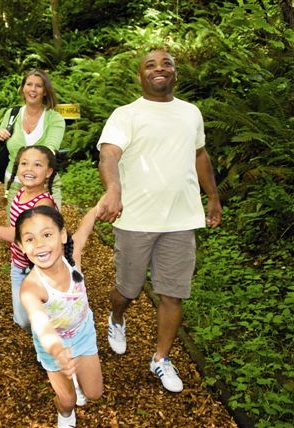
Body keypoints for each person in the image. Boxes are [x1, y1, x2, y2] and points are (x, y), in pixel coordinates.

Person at [94, 48, 223, 393]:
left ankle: (161, 358)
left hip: (181, 220)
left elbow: (200, 154)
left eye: (166, 63)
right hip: (136, 219)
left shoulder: (190, 113)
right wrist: (114, 189)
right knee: (128, 290)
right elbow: (109, 153)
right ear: (140, 76)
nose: (159, 68)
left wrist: (212, 196)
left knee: (173, 294)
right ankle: (116, 317)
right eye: (150, 65)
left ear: (176, 73)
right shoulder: (126, 114)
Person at [15, 205, 103, 428]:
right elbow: (41, 325)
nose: (40, 245)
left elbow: (85, 227)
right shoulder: (31, 288)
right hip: (53, 345)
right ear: (21, 247)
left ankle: (79, 384)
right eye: (30, 239)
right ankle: (64, 413)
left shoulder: (72, 258)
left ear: (63, 235)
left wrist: (99, 206)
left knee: (94, 393)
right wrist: (58, 351)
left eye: (47, 235)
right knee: (67, 399)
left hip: (82, 332)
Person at [0, 145, 58, 329]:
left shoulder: (43, 203)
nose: (29, 169)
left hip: (40, 269)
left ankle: (49, 348)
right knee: (23, 319)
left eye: (37, 165)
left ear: (48, 172)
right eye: (24, 163)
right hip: (19, 264)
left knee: (41, 315)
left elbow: (24, 234)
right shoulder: (21, 192)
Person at [0, 69, 66, 210]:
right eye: (29, 84)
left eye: (38, 86)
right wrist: (0, 135)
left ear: (45, 91)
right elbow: (4, 141)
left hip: (45, 185)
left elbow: (50, 149)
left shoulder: (55, 119)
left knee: (47, 228)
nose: (33, 89)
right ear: (23, 88)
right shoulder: (11, 114)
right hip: (14, 183)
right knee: (16, 229)